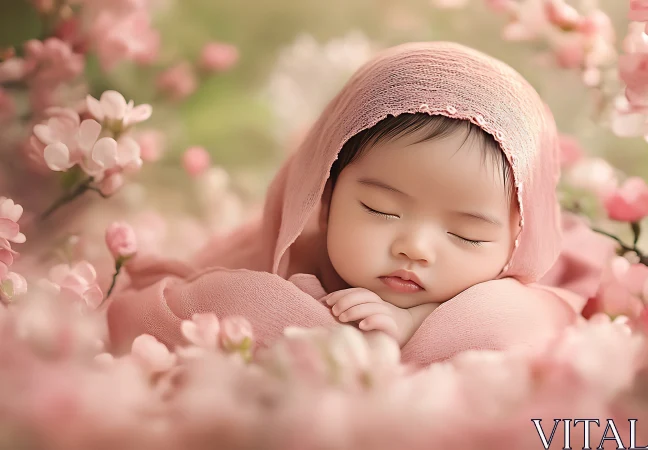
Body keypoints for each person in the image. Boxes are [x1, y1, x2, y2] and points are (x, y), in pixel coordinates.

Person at [105, 41, 593, 365]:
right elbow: (150, 315)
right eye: (381, 208)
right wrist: (311, 321)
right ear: (325, 192)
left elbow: (531, 325)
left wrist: (416, 326)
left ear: (516, 243)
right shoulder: (284, 258)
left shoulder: (511, 293)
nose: (415, 247)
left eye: (468, 234)